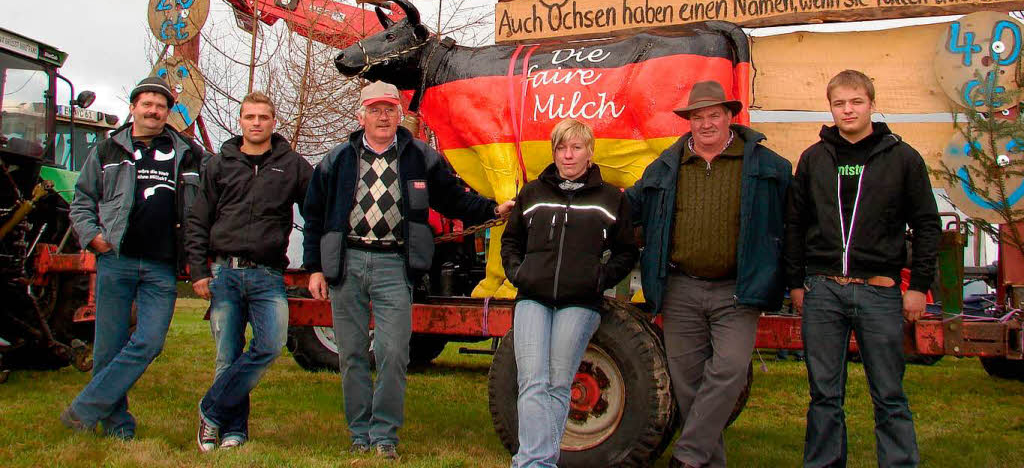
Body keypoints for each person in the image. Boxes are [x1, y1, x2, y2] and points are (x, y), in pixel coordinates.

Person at [302, 80, 514, 460]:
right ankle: (359, 432)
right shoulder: (337, 159)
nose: (383, 117)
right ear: (360, 115)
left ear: (401, 115)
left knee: (393, 352)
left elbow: (454, 198)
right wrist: (314, 267)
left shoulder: (421, 156)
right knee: (351, 353)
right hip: (347, 264)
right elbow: (314, 213)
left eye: (389, 110)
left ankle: (384, 435)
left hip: (394, 265)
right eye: (375, 110)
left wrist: (493, 210)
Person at [626, 79, 791, 468]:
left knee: (730, 370)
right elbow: (628, 208)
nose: (706, 124)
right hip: (680, 288)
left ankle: (687, 456)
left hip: (738, 290)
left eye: (714, 115)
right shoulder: (665, 167)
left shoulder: (769, 167)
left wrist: (789, 276)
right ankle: (705, 461)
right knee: (688, 383)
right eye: (697, 117)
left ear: (730, 116)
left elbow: (793, 225)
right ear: (689, 122)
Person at [784, 70, 940, 468]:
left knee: (888, 393)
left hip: (879, 291)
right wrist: (796, 282)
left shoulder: (902, 158)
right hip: (823, 290)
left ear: (871, 103)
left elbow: (926, 223)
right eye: (839, 103)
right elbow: (796, 225)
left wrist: (919, 285)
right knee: (824, 395)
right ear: (830, 108)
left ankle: (899, 462)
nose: (848, 110)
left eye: (856, 102)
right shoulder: (815, 158)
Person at [60, 76, 204, 439]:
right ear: (133, 108)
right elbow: (82, 200)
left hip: (161, 265)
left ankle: (83, 409)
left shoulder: (188, 153)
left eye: (161, 105)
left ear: (168, 112)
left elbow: (205, 204)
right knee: (108, 347)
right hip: (117, 260)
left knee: (150, 341)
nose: (154, 110)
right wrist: (93, 237)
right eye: (147, 104)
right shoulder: (108, 150)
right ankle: (117, 424)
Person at [500, 118, 637, 468]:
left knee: (559, 384)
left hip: (580, 302)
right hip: (533, 298)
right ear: (554, 152)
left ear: (589, 152)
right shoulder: (533, 193)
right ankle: (534, 463)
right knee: (533, 380)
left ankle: (536, 461)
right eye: (562, 147)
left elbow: (626, 251)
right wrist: (518, 273)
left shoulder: (610, 199)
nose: (568, 155)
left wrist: (599, 278)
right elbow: (511, 239)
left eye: (576, 147)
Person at [185, 91, 312, 451]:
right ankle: (231, 430)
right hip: (224, 274)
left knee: (270, 345)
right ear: (240, 121)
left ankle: (210, 410)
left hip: (268, 275)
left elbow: (315, 212)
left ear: (274, 122)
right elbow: (198, 219)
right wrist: (198, 270)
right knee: (228, 356)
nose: (256, 123)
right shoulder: (219, 164)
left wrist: (317, 261)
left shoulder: (292, 166)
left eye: (263, 117)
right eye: (250, 117)